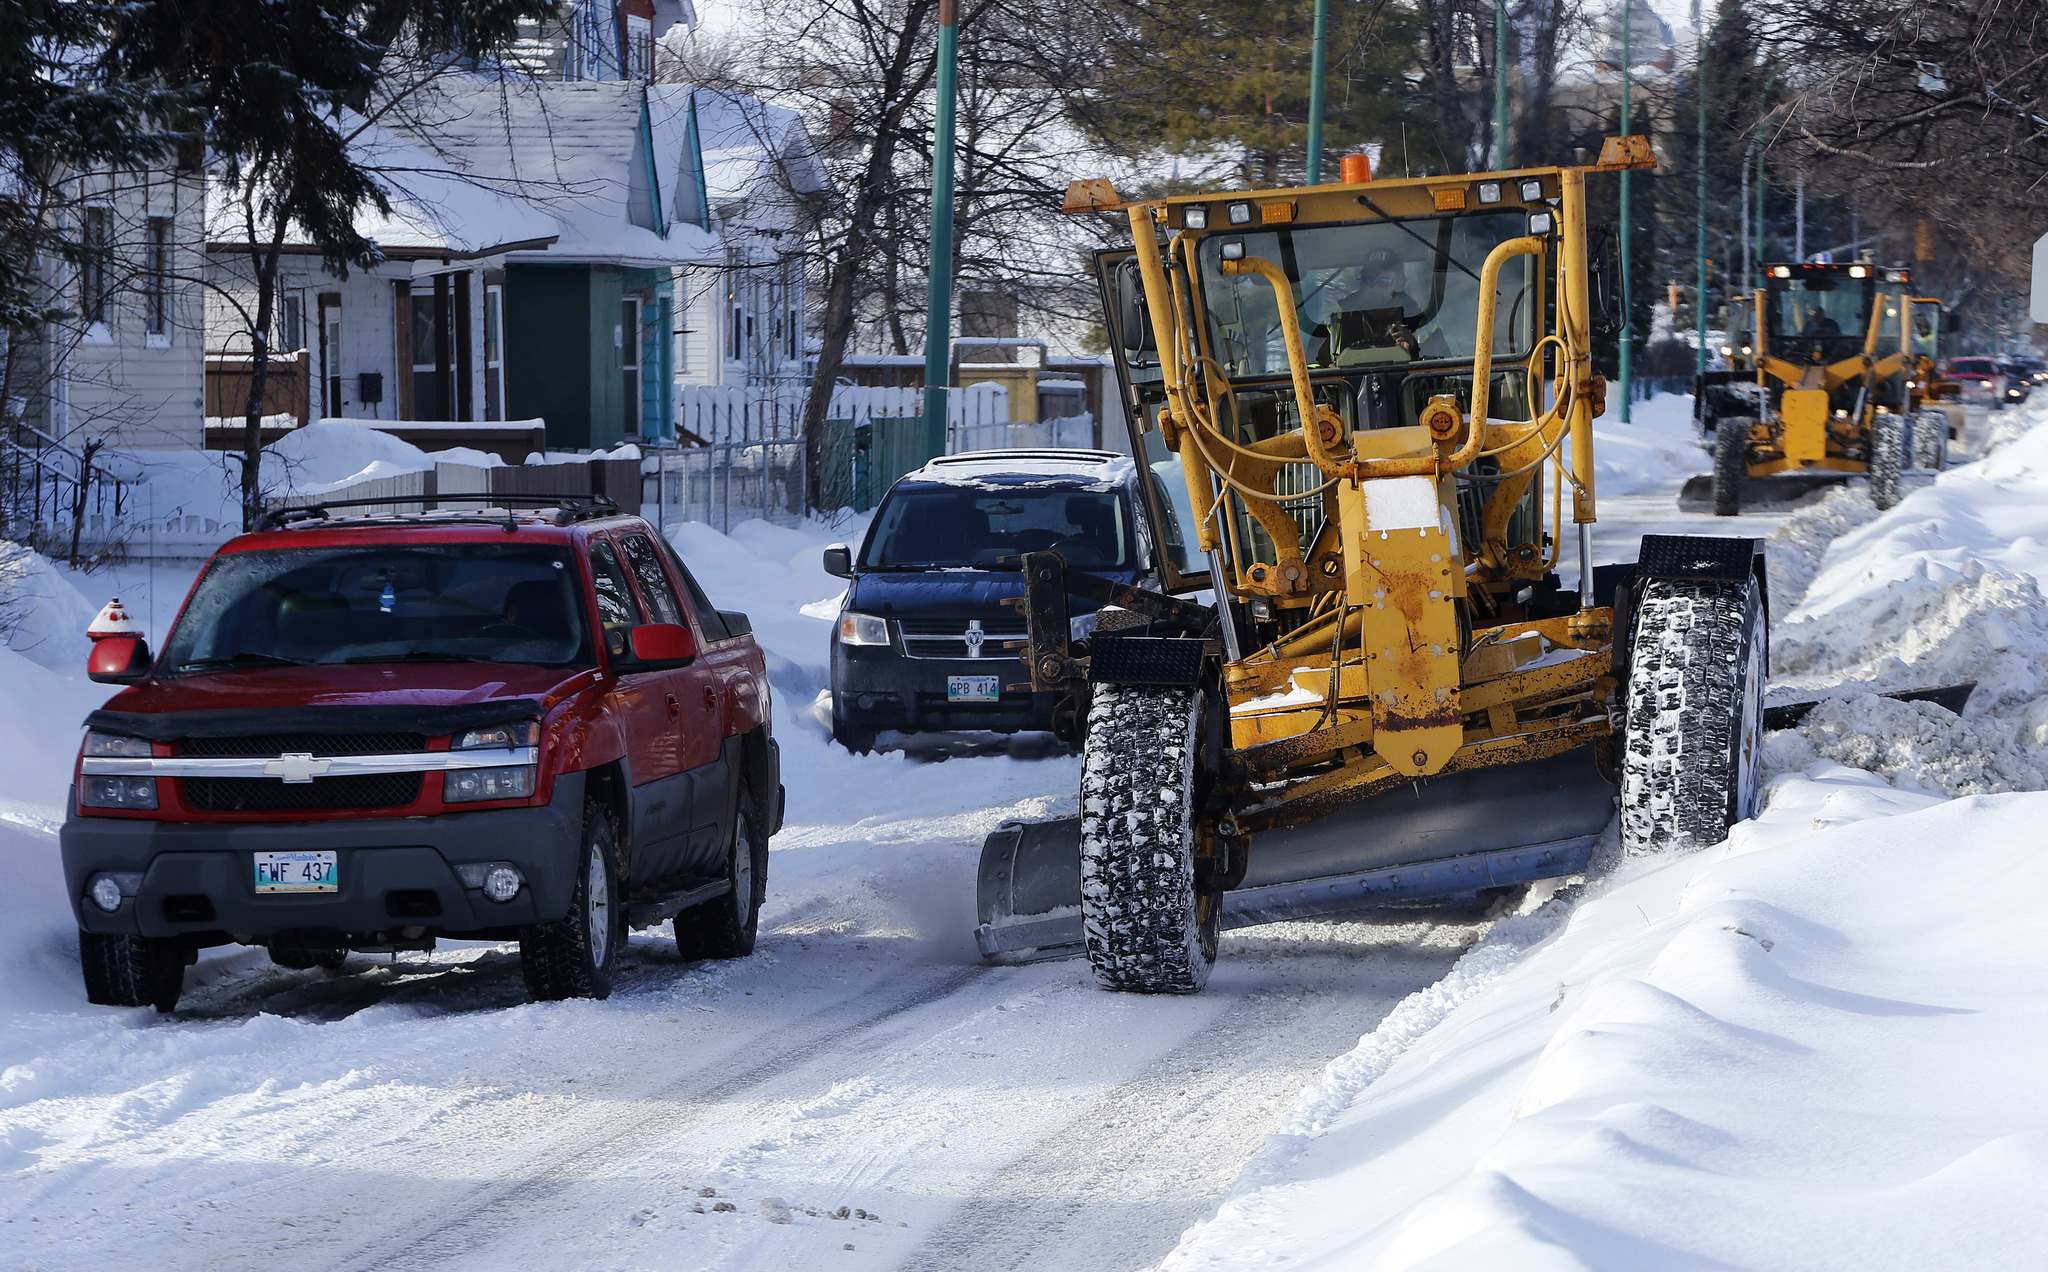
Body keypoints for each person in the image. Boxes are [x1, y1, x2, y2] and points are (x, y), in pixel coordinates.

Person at [1319, 246, 1422, 359]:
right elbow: (1313, 365)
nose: (1374, 288)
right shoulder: (1340, 318)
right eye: (1368, 280)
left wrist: (1411, 344)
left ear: (1399, 284)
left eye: (1383, 282)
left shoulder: (1419, 322)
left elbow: (1437, 365)